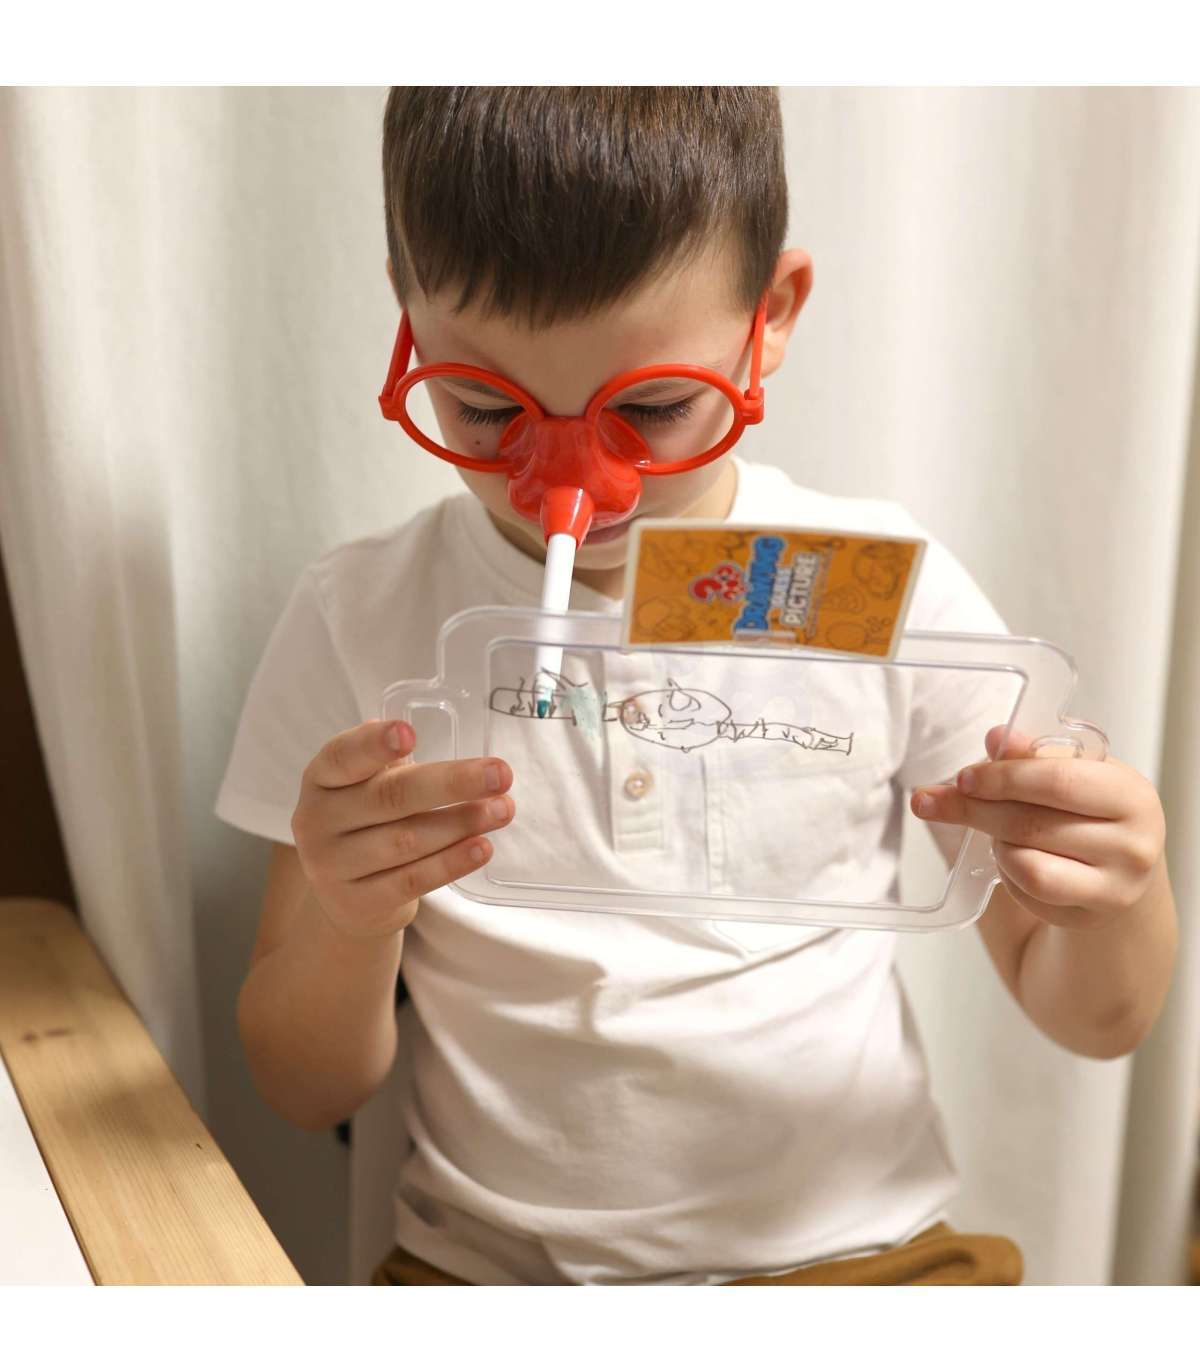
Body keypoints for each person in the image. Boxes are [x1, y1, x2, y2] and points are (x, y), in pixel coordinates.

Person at [215, 88, 1177, 1286]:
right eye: (487, 409)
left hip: (855, 1267)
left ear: (770, 319)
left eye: (652, 409)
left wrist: (1116, 890)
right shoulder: (360, 617)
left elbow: (1096, 1016)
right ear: (408, 326)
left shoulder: (877, 590)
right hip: (497, 1279)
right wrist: (352, 918)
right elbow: (302, 1085)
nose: (573, 481)